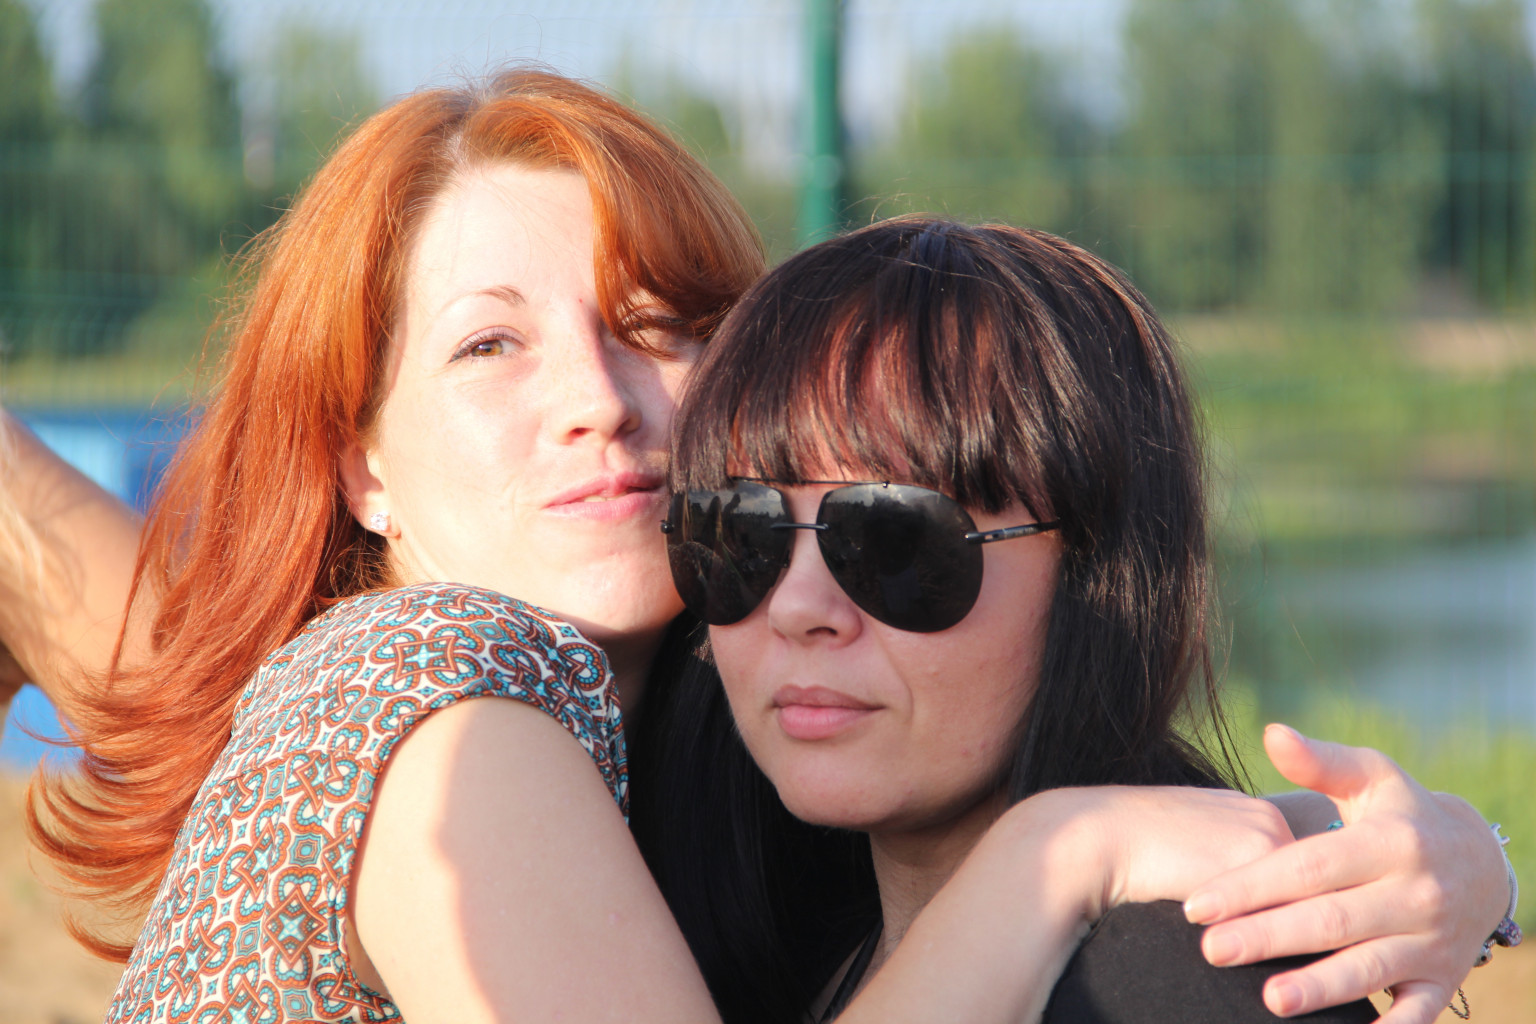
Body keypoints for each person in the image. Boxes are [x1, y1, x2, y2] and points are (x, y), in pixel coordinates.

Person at [0, 70, 1511, 1023]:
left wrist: (1445, 860)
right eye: (488, 346)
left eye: (655, 324)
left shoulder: (705, 744)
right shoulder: (447, 687)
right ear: (362, 463)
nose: (598, 400)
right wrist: (1058, 856)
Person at [657, 216, 1520, 1022]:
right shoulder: (756, 925)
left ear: (1098, 572)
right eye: (739, 530)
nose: (797, 607)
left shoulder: (1186, 983)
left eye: (894, 537)